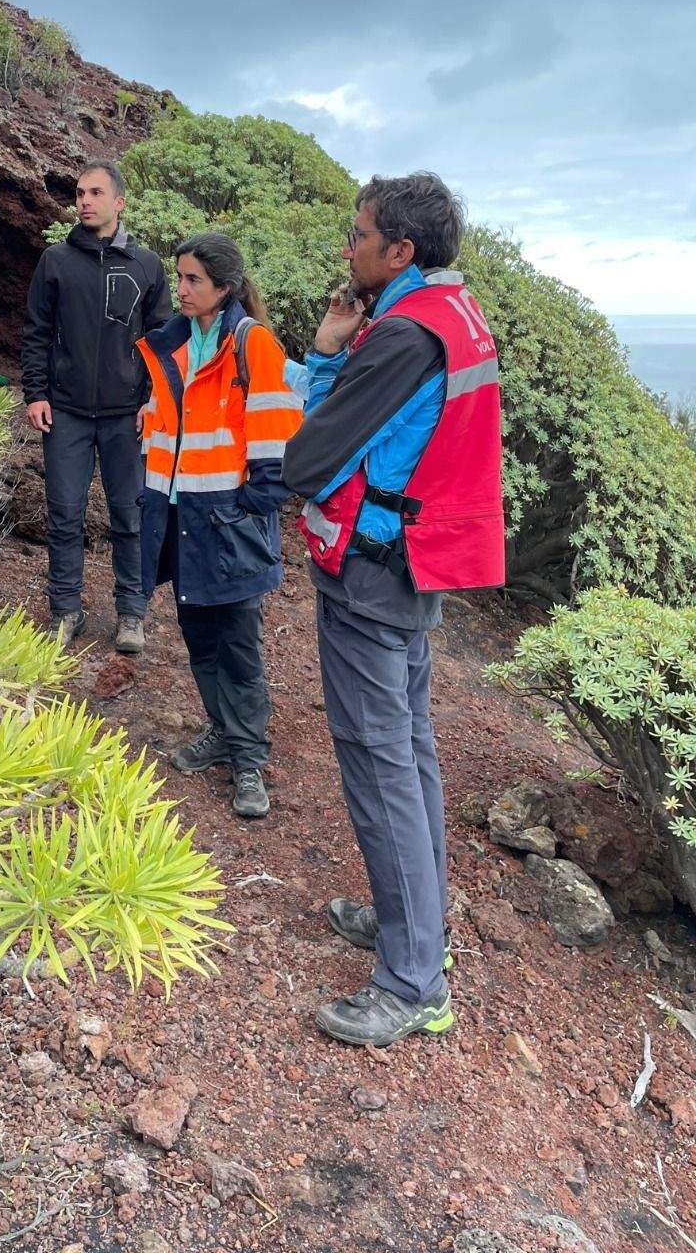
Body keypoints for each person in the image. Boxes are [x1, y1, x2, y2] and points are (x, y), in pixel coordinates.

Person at [282, 171, 504, 1047]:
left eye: (359, 232)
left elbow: (309, 459)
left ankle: (414, 982)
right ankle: (411, 925)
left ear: (400, 250)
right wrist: (344, 347)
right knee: (409, 755)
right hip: (415, 562)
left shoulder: (405, 334)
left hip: (374, 574)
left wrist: (326, 359)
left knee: (382, 765)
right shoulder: (454, 313)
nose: (349, 245)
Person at [138, 233, 303, 818]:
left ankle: (248, 759)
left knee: (239, 646)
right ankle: (222, 733)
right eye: (178, 277)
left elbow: (276, 435)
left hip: (227, 522)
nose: (180, 289)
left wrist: (249, 506)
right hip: (182, 517)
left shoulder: (251, 343)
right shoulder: (177, 344)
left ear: (223, 289)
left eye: (193, 281)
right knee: (200, 636)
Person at [21, 160, 172, 652]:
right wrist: (36, 393)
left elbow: (162, 342)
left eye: (95, 193)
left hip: (126, 415)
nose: (84, 201)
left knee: (129, 515)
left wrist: (153, 399)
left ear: (119, 202)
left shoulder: (147, 265)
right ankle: (66, 609)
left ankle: (132, 612)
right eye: (80, 193)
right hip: (64, 412)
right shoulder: (56, 261)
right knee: (64, 513)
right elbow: (37, 332)